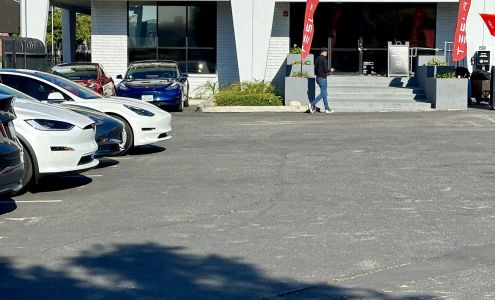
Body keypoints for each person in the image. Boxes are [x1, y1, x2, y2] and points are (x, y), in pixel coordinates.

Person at [307, 49, 334, 113]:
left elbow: (316, 69)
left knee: (324, 94)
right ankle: (311, 104)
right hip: (323, 78)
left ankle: (327, 108)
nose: (327, 54)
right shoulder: (324, 59)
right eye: (326, 52)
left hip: (318, 78)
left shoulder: (317, 59)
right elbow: (325, 69)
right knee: (323, 94)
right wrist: (330, 70)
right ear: (324, 52)